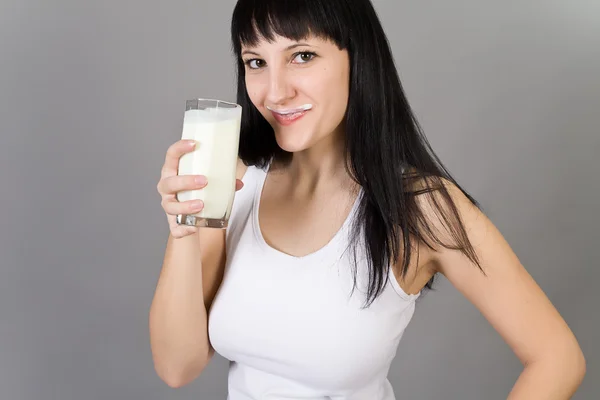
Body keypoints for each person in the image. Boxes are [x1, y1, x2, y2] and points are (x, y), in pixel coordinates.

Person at [150, 0, 586, 398]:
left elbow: (557, 357)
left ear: (357, 60)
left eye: (302, 56)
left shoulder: (420, 206)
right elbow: (177, 366)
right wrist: (183, 229)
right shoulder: (237, 180)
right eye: (256, 61)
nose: (274, 91)